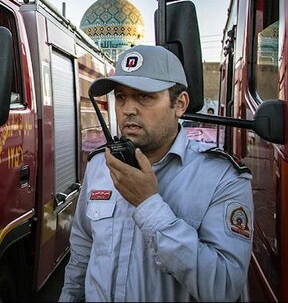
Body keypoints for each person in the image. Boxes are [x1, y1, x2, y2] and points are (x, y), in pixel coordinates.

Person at [59, 45, 253, 302]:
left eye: (144, 97)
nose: (127, 109)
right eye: (120, 97)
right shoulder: (100, 165)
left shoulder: (222, 178)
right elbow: (82, 253)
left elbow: (224, 287)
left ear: (179, 104)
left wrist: (149, 204)